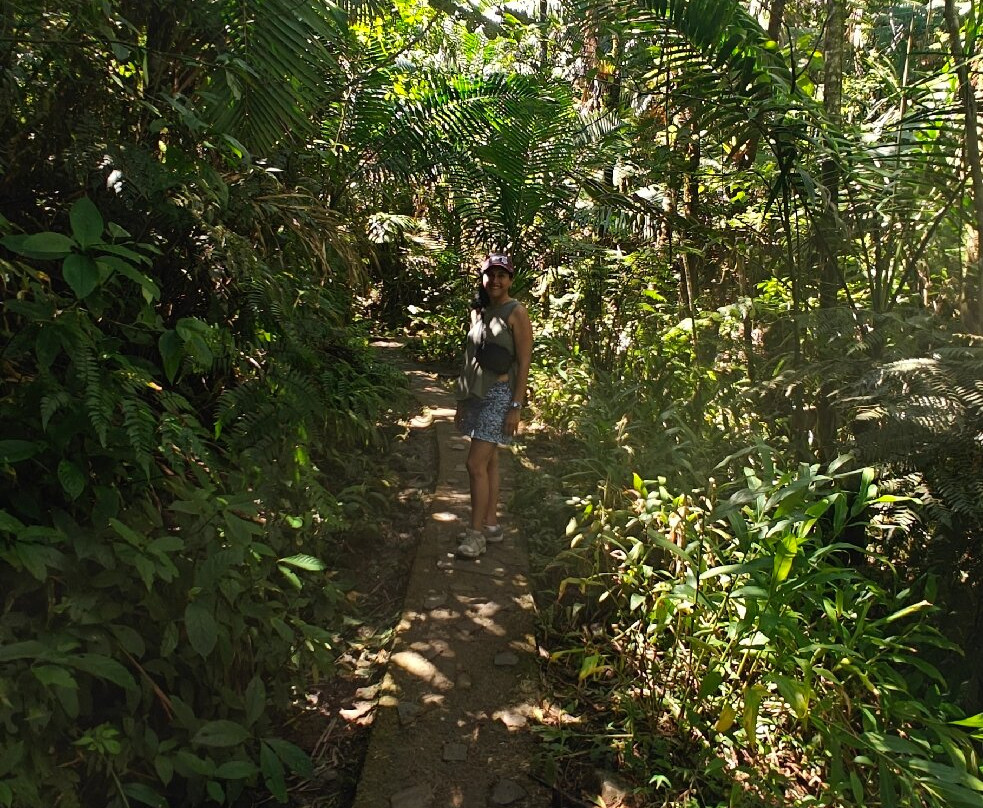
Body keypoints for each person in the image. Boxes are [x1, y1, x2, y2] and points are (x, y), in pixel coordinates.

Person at [453, 253, 533, 558]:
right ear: (483, 278)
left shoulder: (516, 312)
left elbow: (524, 362)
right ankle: (489, 524)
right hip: (476, 394)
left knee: (474, 464)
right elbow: (470, 360)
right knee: (489, 463)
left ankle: (475, 536)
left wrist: (516, 405)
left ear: (511, 280)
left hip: (500, 396)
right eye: (491, 275)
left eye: (502, 275)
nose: (496, 281)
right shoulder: (480, 311)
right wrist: (462, 401)